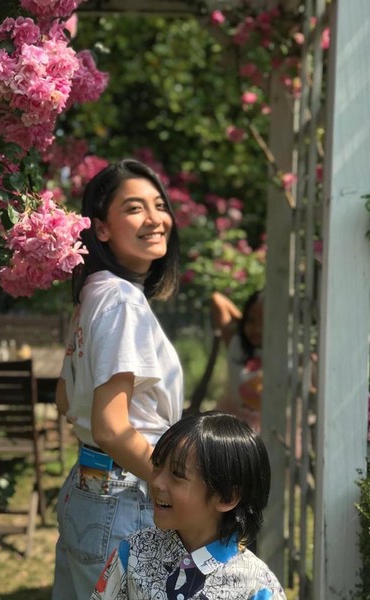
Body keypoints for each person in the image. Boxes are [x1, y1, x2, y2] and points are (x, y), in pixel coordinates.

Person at [52, 159, 184, 600]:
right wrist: (175, 489)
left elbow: (64, 398)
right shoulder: (122, 301)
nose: (155, 219)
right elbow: (111, 427)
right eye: (134, 208)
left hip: (89, 490)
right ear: (102, 228)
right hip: (127, 497)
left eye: (159, 205)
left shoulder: (92, 293)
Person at [91, 410, 287, 600]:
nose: (157, 482)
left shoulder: (256, 586)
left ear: (226, 497)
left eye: (177, 474)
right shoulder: (133, 552)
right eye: (157, 465)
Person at [211, 290, 264, 431]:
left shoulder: (283, 354)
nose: (257, 329)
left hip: (267, 431)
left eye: (263, 321)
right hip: (231, 429)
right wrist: (242, 323)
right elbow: (217, 299)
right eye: (251, 320)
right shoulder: (236, 344)